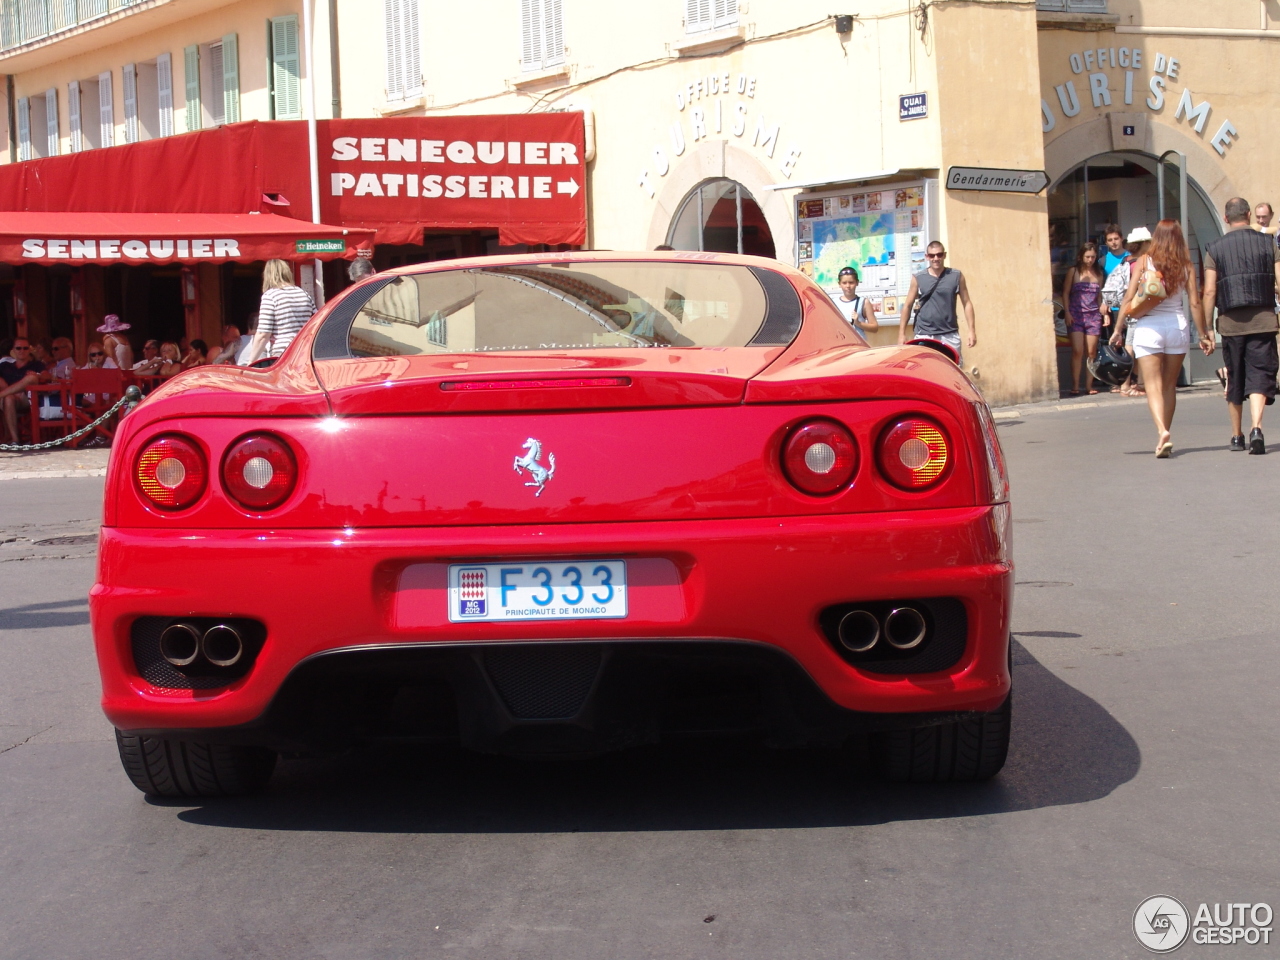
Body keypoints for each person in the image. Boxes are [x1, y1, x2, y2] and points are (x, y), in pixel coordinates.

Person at [1110, 219, 1212, 458]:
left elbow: (1129, 297)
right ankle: (1165, 434)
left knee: (1153, 385)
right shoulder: (1186, 264)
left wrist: (1118, 328)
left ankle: (1162, 432)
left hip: (1149, 327)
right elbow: (1195, 302)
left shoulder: (1144, 261)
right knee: (1169, 385)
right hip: (1177, 326)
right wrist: (1204, 333)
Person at [1202, 197, 1280, 454]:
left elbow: (1210, 290)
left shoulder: (1215, 248)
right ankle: (1256, 427)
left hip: (1231, 323)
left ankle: (1236, 435)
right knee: (1260, 373)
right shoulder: (1269, 244)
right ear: (1248, 215)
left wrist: (1207, 329)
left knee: (1234, 375)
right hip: (1263, 319)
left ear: (1226, 218)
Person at [898, 241, 977, 358]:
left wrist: (971, 331)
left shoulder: (956, 276)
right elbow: (907, 306)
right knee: (925, 371)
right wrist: (901, 333)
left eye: (939, 255)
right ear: (927, 257)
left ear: (944, 255)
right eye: (932, 255)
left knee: (951, 372)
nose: (936, 258)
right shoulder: (918, 278)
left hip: (949, 334)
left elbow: (967, 303)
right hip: (924, 334)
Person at [1102, 228, 1151, 397]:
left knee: (1130, 346)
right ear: (1144, 243)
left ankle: (1131, 383)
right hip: (1137, 309)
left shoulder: (1126, 261)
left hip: (1128, 309)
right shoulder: (1138, 263)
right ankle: (1127, 384)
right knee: (1131, 347)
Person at [243, 260, 315, 365]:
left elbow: (263, 333)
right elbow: (316, 319)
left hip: (282, 353)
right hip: (305, 350)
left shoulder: (271, 296)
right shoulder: (303, 294)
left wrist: (251, 361)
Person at [1062, 242, 1107, 395]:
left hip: (1093, 315)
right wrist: (1067, 312)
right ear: (1081, 257)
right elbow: (1066, 293)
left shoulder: (1098, 274)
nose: (1090, 260)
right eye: (1087, 257)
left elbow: (1100, 295)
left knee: (1092, 352)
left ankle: (1089, 385)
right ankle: (1075, 385)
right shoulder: (1073, 272)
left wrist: (1104, 312)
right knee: (1077, 350)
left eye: (1093, 257)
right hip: (1076, 314)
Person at [0, 337, 45, 444]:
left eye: (25, 348)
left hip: (28, 399)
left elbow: (46, 375)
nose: (22, 351)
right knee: (9, 398)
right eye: (19, 348)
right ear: (13, 351)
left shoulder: (36, 364)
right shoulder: (5, 366)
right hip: (8, 399)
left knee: (31, 378)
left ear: (29, 350)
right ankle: (15, 439)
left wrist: (39, 375)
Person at [830, 266, 880, 334]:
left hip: (858, 343)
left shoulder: (863, 302)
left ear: (857, 283)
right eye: (844, 283)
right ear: (839, 284)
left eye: (851, 282)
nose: (848, 286)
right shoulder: (834, 303)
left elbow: (875, 327)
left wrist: (858, 323)